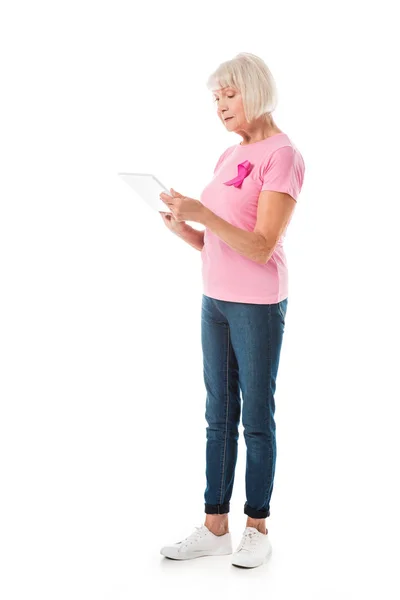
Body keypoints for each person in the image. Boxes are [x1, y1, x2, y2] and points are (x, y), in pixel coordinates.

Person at [159, 52, 306, 569]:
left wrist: (202, 214)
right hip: (215, 298)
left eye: (229, 95)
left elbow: (262, 245)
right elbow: (221, 242)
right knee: (217, 414)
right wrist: (188, 231)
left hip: (258, 304)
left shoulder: (282, 155)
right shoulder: (228, 156)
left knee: (256, 417)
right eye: (215, 99)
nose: (220, 107)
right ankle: (214, 525)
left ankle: (257, 526)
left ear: (255, 90)